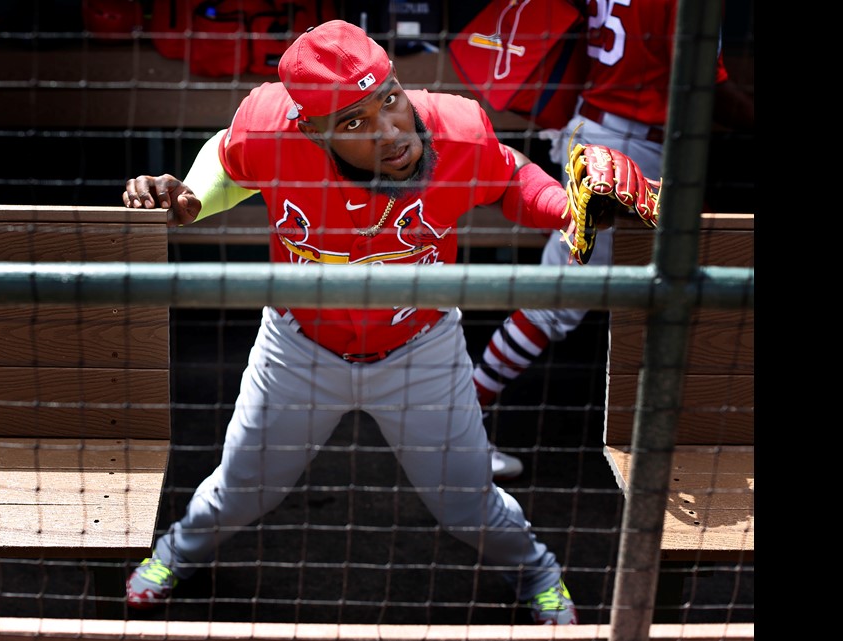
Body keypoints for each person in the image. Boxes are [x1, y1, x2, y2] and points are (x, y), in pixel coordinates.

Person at [121, 19, 656, 625]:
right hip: (298, 347)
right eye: (354, 122)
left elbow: (509, 180)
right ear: (312, 129)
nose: (391, 131)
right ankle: (174, 554)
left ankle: (537, 570)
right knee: (244, 487)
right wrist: (191, 197)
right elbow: (225, 158)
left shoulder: (454, 127)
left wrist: (570, 211)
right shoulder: (272, 125)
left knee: (467, 504)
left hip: (420, 349)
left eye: (390, 100)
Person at [474, 0, 754, 476]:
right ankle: (463, 420)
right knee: (559, 298)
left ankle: (674, 430)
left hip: (594, 126)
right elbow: (705, 83)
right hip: (625, 150)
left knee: (649, 288)